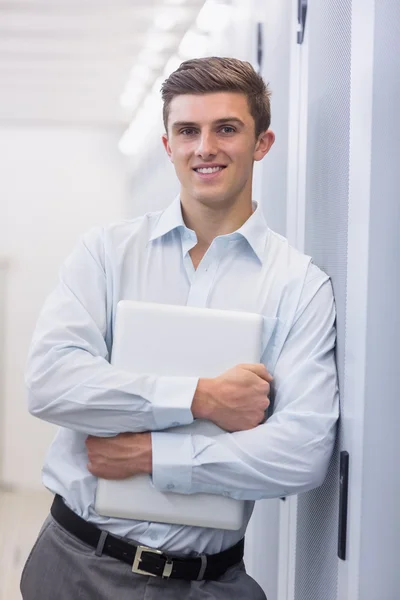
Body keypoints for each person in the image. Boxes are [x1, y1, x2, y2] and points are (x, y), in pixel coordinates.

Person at [20, 57, 339, 600]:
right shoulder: (106, 254)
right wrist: (201, 398)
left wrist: (151, 454)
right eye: (188, 131)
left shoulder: (298, 285)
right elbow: (52, 383)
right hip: (75, 567)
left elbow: (302, 450)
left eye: (227, 129)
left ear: (262, 143)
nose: (205, 147)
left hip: (209, 584)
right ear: (168, 145)